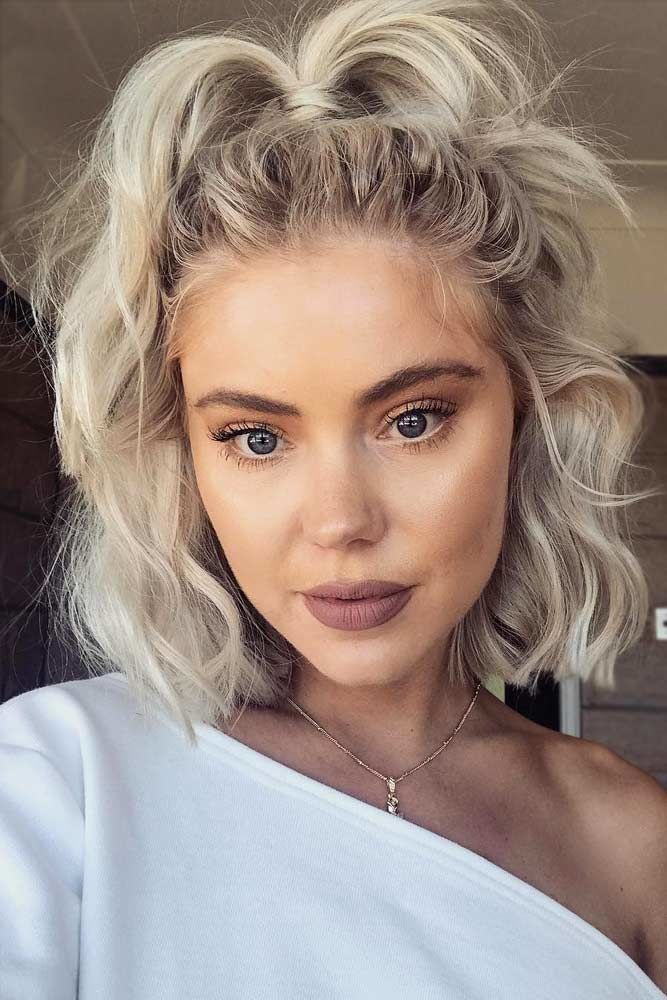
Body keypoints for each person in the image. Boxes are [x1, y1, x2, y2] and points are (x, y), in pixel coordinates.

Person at [0, 0, 665, 997]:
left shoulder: (630, 839)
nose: (340, 521)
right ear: (184, 459)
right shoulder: (58, 785)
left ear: (525, 418)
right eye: (255, 437)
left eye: (414, 419)